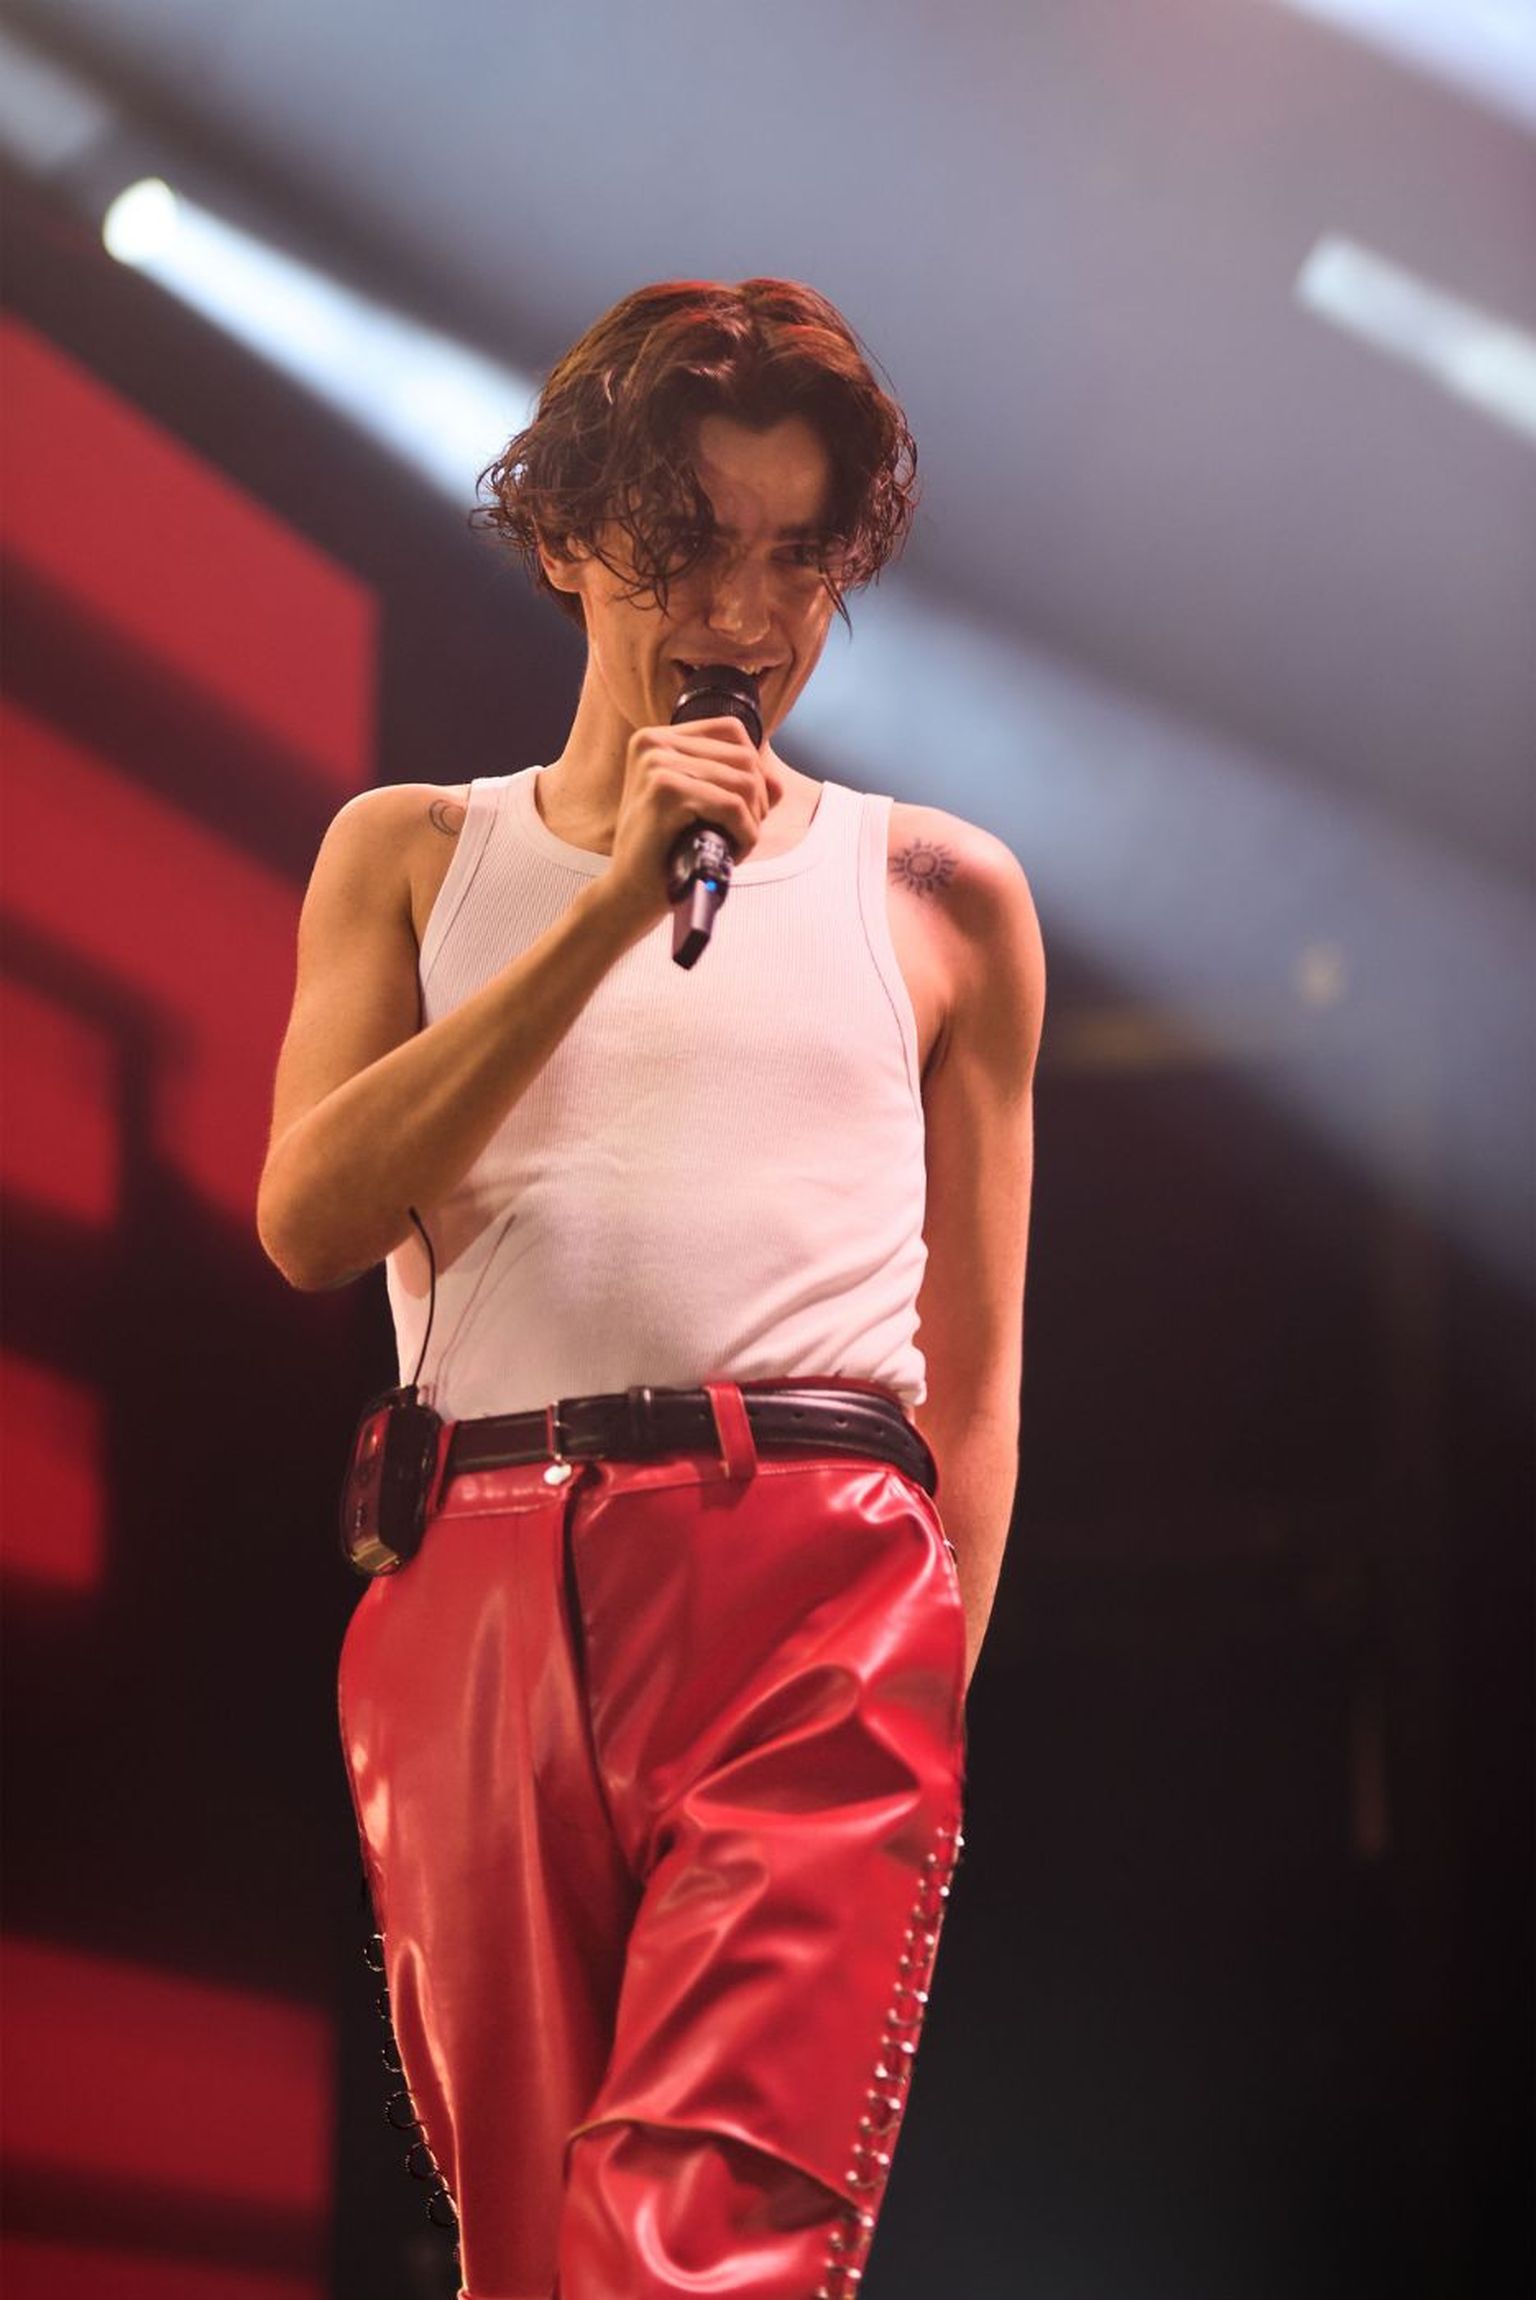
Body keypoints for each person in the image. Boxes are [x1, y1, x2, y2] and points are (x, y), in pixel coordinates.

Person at [257, 277, 1045, 2300]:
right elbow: (312, 1216)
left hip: (819, 1587)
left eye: (797, 557)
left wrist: (922, 1698)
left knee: (698, 2240)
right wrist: (612, 908)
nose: (744, 610)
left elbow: (975, 1379)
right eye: (692, 543)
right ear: (565, 540)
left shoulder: (938, 893)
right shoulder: (413, 855)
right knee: (535, 2259)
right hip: (476, 1585)